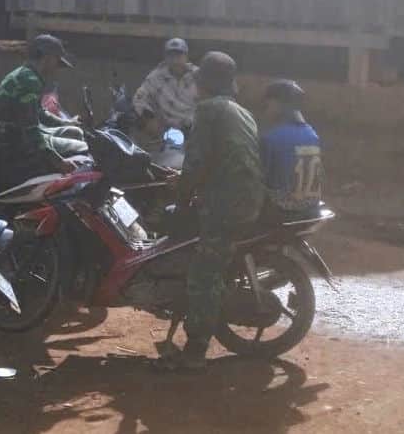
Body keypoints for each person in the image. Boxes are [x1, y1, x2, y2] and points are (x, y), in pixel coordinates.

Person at [157, 51, 265, 373]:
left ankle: (195, 351)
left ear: (203, 82)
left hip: (226, 204)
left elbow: (197, 161)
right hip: (248, 198)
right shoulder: (242, 112)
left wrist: (181, 194)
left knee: (204, 274)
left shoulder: (208, 110)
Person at [0, 34, 89, 191]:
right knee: (80, 147)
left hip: (13, 136)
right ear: (47, 58)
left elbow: (39, 113)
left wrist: (67, 122)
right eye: (56, 61)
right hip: (10, 144)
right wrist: (58, 161)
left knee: (73, 131)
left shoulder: (25, 74)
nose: (56, 69)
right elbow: (31, 131)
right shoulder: (29, 80)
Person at [259, 80, 324, 214]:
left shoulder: (271, 139)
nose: (266, 109)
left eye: (268, 105)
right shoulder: (313, 135)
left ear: (277, 104)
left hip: (282, 211)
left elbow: (260, 178)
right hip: (311, 208)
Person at [133, 38, 199, 142]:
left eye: (179, 55)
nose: (175, 60)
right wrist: (149, 118)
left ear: (186, 56)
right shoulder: (156, 76)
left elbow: (210, 101)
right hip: (165, 133)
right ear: (166, 57)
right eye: (171, 56)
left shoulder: (198, 76)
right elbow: (139, 99)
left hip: (193, 131)